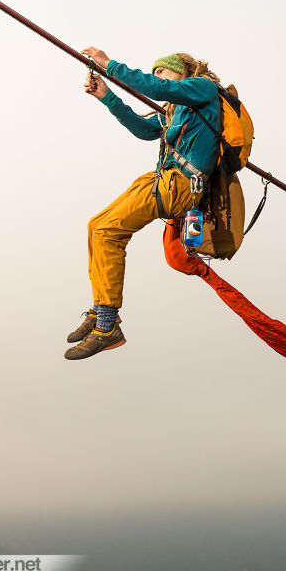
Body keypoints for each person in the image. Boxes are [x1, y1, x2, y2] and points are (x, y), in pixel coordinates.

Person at [64, 49, 223, 360]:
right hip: (164, 182)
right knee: (97, 226)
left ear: (182, 73)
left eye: (163, 71)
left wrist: (109, 65)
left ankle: (108, 324)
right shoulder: (174, 110)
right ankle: (101, 311)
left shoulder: (202, 89)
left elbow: (158, 88)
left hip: (179, 186)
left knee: (108, 231)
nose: (158, 76)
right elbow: (143, 129)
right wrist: (107, 96)